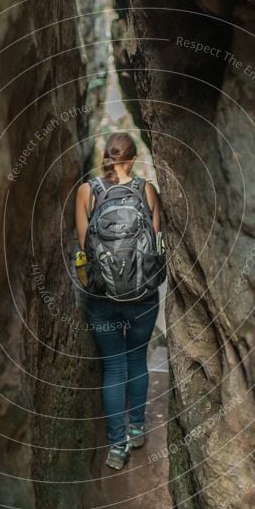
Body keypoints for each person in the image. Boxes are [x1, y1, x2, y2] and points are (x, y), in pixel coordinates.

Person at [75, 133, 161, 470]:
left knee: (114, 367)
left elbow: (85, 247)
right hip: (143, 296)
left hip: (102, 297)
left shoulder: (87, 191)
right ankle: (138, 427)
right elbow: (154, 245)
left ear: (105, 156)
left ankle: (118, 447)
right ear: (134, 158)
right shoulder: (146, 190)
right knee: (137, 360)